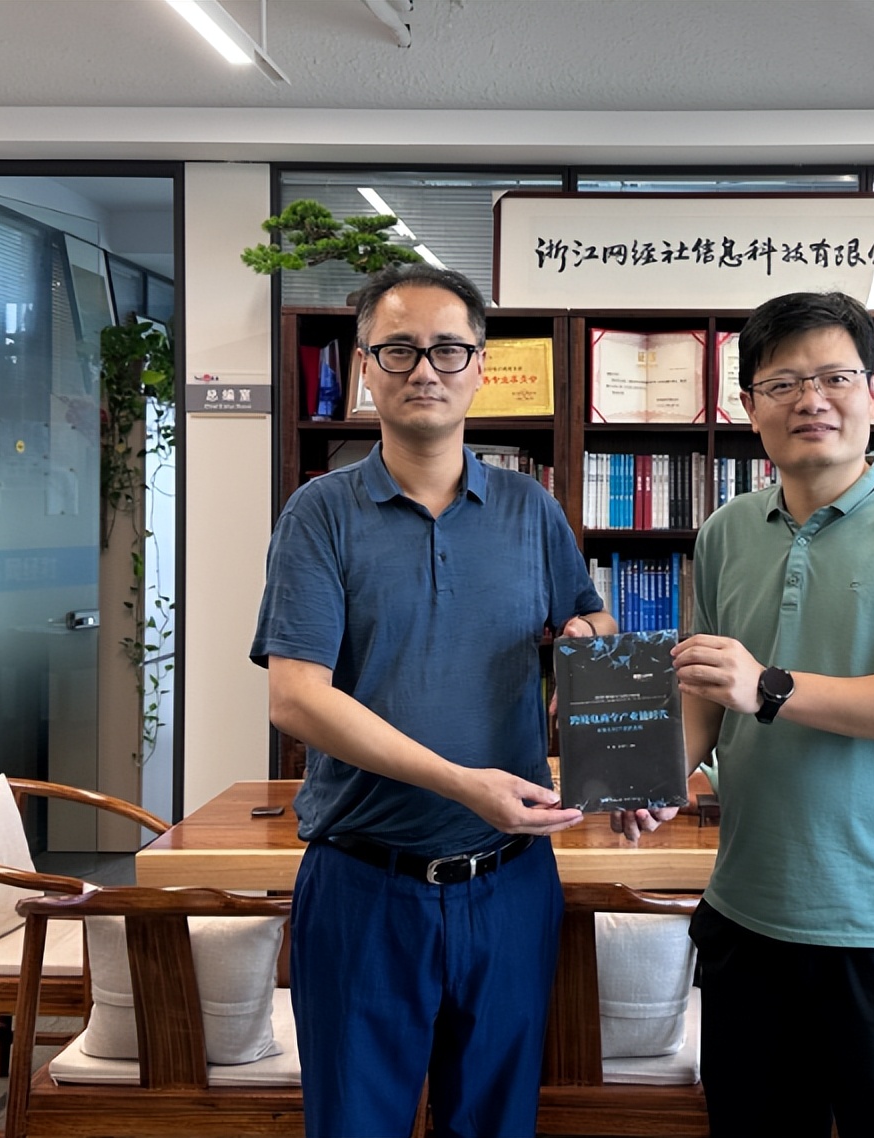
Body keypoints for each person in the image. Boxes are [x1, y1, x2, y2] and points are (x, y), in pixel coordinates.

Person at [250, 263, 614, 1138]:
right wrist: (461, 782)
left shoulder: (531, 509)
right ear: (364, 367)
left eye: (449, 349)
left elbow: (591, 621)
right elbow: (296, 700)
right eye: (399, 349)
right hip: (365, 883)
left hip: (511, 880)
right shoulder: (319, 514)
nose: (425, 369)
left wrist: (588, 660)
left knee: (496, 1123)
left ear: (481, 367)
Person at [671, 291, 874, 1138]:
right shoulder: (724, 532)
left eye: (834, 377)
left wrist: (771, 688)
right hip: (746, 913)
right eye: (782, 383)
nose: (810, 400)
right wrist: (650, 777)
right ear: (749, 407)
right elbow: (708, 692)